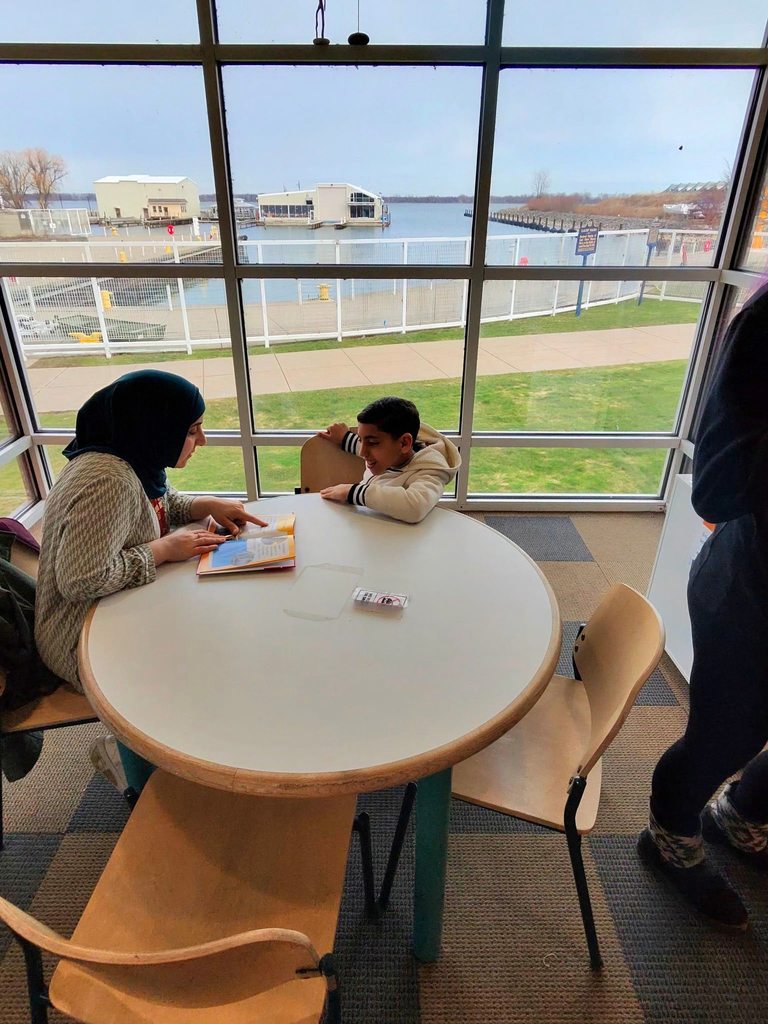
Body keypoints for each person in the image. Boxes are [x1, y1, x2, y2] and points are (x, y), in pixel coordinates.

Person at [35, 369, 265, 791]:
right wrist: (162, 551)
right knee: (211, 651)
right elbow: (82, 580)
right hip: (80, 638)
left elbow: (152, 505)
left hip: (110, 612)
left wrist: (200, 504)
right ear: (154, 427)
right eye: (193, 431)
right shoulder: (108, 480)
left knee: (212, 625)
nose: (203, 441)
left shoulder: (126, 457)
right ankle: (140, 758)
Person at [638, 281, 768, 930]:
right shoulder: (767, 322)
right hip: (751, 593)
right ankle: (669, 835)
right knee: (725, 735)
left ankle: (741, 813)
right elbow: (716, 489)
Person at [317, 396, 460, 524]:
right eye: (361, 440)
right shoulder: (387, 454)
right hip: (368, 527)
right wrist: (344, 438)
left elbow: (415, 507)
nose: (362, 452)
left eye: (372, 442)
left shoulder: (430, 472)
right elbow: (366, 446)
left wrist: (352, 492)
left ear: (404, 443)